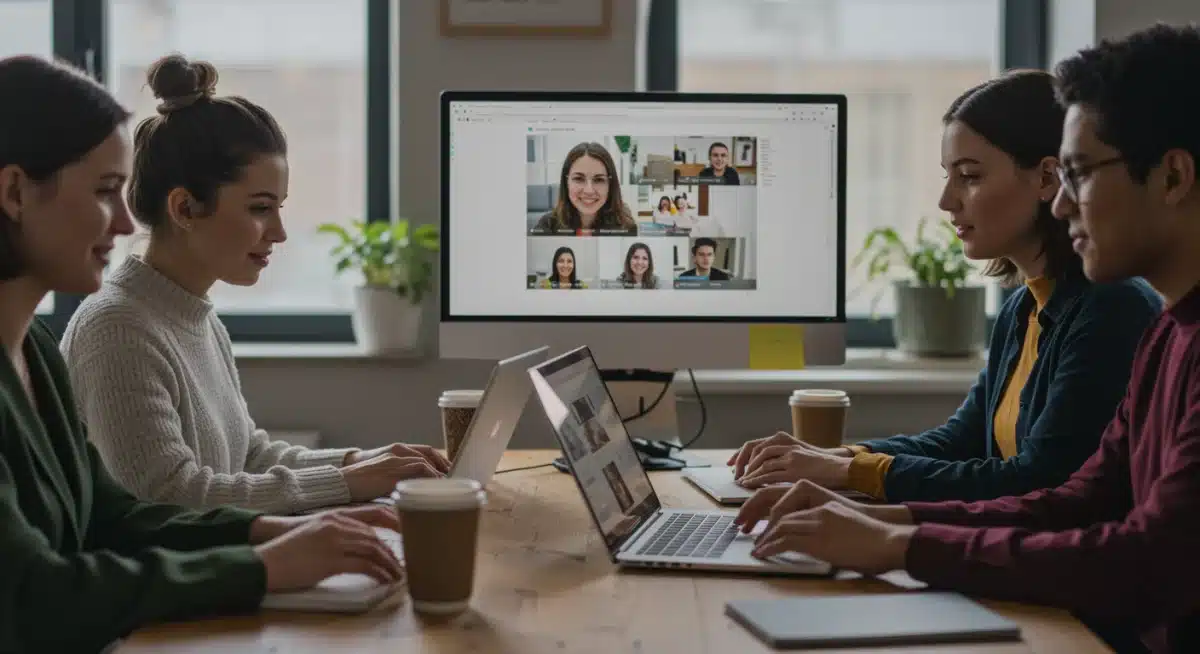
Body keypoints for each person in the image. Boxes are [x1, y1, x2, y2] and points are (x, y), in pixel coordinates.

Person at [735, 24, 1200, 653]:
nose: (1063, 206)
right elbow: (1071, 499)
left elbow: (1142, 555)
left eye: (1081, 174)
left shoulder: (1128, 315)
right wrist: (879, 518)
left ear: (1172, 177)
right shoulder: (1168, 333)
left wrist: (897, 536)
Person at [0, 54, 405, 653]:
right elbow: (37, 597)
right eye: (105, 191)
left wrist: (280, 531)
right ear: (13, 192)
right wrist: (266, 563)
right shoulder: (112, 327)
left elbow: (117, 516)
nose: (123, 220)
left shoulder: (33, 348)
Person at [728, 69, 1161, 503]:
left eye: (969, 177)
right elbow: (962, 440)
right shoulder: (1023, 307)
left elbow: (1037, 478)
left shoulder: (1110, 307)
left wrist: (848, 471)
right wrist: (836, 457)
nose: (946, 201)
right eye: (948, 176)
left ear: (1047, 179)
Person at [59, 54, 450, 515]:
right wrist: (348, 482)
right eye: (260, 208)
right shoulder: (118, 329)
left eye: (279, 207)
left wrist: (365, 461)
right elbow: (168, 497)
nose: (280, 232)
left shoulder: (193, 315)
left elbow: (249, 456)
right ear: (184, 209)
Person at [533, 142, 636, 234]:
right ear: (566, 182)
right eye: (579, 178)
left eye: (599, 180)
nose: (589, 190)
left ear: (610, 184)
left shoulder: (626, 227)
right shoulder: (547, 226)